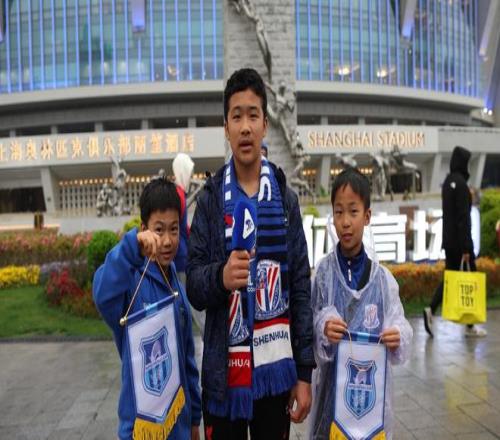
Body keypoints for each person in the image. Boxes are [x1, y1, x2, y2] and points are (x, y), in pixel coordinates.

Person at [186, 68, 315, 439]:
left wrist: (304, 373)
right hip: (223, 379)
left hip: (276, 376)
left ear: (265, 125)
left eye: (253, 115)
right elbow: (193, 283)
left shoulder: (285, 201)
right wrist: (221, 277)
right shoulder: (210, 200)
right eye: (237, 116)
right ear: (225, 127)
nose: (245, 127)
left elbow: (300, 287)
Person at [93, 178, 201, 439]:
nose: (167, 241)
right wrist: (132, 247)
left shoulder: (175, 283)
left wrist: (195, 418)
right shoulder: (130, 281)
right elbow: (102, 293)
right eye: (159, 230)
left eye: (174, 229)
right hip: (140, 429)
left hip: (179, 425)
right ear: (144, 229)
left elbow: (187, 358)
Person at [310, 167, 413, 439]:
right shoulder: (323, 275)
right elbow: (308, 326)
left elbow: (400, 325)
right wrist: (322, 328)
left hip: (371, 408)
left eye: (353, 212)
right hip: (330, 405)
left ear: (367, 216)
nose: (345, 222)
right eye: (338, 212)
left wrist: (398, 335)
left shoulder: (383, 280)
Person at [423, 146, 487, 338]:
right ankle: (470, 325)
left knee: (450, 278)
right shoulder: (461, 185)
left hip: (449, 242)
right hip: (461, 244)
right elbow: (463, 218)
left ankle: (431, 309)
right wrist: (467, 247)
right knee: (471, 280)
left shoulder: (447, 183)